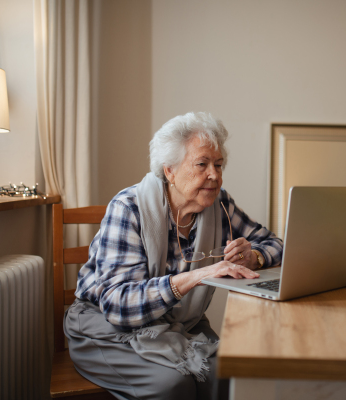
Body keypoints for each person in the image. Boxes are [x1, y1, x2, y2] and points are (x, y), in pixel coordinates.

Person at [64, 112, 284, 400]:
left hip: (180, 323)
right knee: (171, 386)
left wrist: (253, 256)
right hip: (106, 329)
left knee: (230, 375)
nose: (214, 175)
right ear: (169, 170)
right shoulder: (128, 208)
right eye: (202, 164)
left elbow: (275, 244)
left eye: (218, 165)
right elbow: (119, 306)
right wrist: (195, 276)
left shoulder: (220, 204)